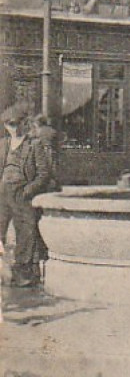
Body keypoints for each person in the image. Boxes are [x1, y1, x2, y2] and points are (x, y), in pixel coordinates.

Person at [0, 103, 53, 287]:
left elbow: (44, 174)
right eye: (8, 124)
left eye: (15, 124)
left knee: (25, 234)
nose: (12, 129)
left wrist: (28, 191)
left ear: (24, 123)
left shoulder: (34, 145)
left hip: (22, 194)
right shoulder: (3, 144)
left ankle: (23, 275)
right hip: (2, 194)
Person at [28, 114, 59, 283]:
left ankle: (36, 262)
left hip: (38, 186)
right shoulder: (52, 136)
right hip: (49, 183)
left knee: (34, 224)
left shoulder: (36, 139)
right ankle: (42, 258)